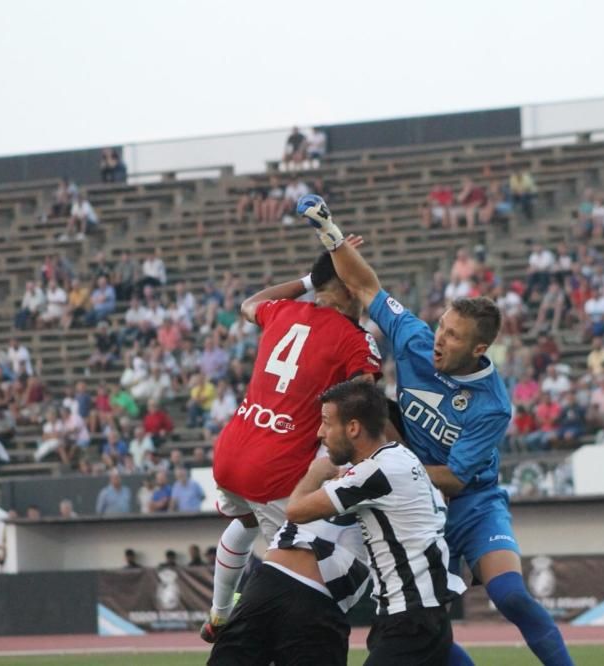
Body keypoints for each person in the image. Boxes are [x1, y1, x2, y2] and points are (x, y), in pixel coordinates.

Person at [299, 194, 572, 665]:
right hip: (420, 507)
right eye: (442, 327)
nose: (439, 340)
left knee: (510, 596)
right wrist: (331, 232)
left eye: (452, 336)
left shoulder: (492, 405)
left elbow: (458, 479)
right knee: (424, 618)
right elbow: (366, 287)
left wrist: (392, 471)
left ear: (479, 347)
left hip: (471, 503)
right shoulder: (415, 339)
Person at [201, 249, 383, 642]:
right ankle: (259, 642)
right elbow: (365, 402)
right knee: (302, 574)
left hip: (231, 452)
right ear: (351, 289)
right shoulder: (355, 340)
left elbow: (250, 304)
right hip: (275, 468)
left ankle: (218, 615)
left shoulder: (282, 311)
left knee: (245, 520)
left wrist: (307, 281)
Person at [285, 381, 465, 666]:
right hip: (413, 613)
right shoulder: (400, 457)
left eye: (326, 423)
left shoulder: (375, 472)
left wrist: (315, 472)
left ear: (353, 428)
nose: (320, 433)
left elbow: (295, 511)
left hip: (412, 617)